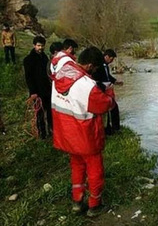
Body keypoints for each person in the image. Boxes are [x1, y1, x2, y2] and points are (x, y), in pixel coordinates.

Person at [51, 46, 115, 217]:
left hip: (66, 135)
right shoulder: (88, 86)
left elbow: (58, 57)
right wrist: (109, 91)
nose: (95, 72)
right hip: (86, 137)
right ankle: (95, 204)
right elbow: (106, 105)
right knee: (95, 170)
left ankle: (77, 202)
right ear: (90, 66)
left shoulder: (62, 70)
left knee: (77, 167)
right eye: (95, 69)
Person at [23, 36, 52, 139]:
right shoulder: (28, 60)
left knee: (49, 112)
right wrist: (33, 92)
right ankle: (42, 134)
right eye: (38, 45)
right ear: (34, 45)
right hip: (37, 92)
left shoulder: (45, 58)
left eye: (42, 45)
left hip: (47, 90)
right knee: (39, 114)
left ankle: (51, 131)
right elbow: (28, 78)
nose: (40, 48)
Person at [92, 49, 123, 135]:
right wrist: (104, 86)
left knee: (112, 108)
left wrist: (115, 81)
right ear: (107, 57)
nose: (112, 61)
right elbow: (95, 78)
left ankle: (114, 128)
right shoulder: (98, 65)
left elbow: (107, 76)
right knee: (107, 109)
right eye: (111, 59)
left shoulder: (105, 65)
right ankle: (109, 129)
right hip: (101, 90)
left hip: (107, 89)